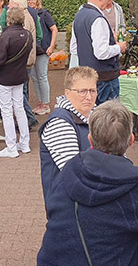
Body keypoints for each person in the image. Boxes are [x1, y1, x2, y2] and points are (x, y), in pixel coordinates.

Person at [37, 100, 138, 266]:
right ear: (131, 140)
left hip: (52, 260)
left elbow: (54, 211)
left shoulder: (70, 169)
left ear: (90, 139)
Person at [38, 66, 97, 201]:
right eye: (82, 91)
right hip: (70, 205)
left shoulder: (97, 115)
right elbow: (74, 172)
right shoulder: (59, 123)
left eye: (92, 91)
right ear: (67, 93)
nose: (89, 97)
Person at [70, 0, 127, 103]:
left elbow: (74, 48)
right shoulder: (98, 19)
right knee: (108, 113)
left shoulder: (79, 15)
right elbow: (101, 53)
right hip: (104, 77)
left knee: (91, 110)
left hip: (87, 75)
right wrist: (118, 47)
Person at [0, 7, 33, 158]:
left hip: (4, 78)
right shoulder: (27, 35)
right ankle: (25, 144)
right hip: (20, 76)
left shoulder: (6, 36)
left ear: (9, 19)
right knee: (19, 109)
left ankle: (11, 147)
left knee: (7, 112)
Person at [8, 0, 39, 129]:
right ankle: (26, 120)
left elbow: (21, 41)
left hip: (23, 61)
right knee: (22, 92)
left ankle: (29, 118)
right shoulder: (27, 16)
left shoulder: (24, 19)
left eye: (11, 3)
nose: (8, 6)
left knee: (20, 93)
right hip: (27, 60)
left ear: (17, 5)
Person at [29, 0, 57, 115]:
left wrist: (51, 46)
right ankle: (40, 102)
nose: (30, 2)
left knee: (42, 76)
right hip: (32, 51)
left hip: (42, 50)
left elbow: (54, 29)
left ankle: (46, 104)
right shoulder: (27, 14)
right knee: (34, 78)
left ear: (37, 0)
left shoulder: (44, 14)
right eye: (28, 0)